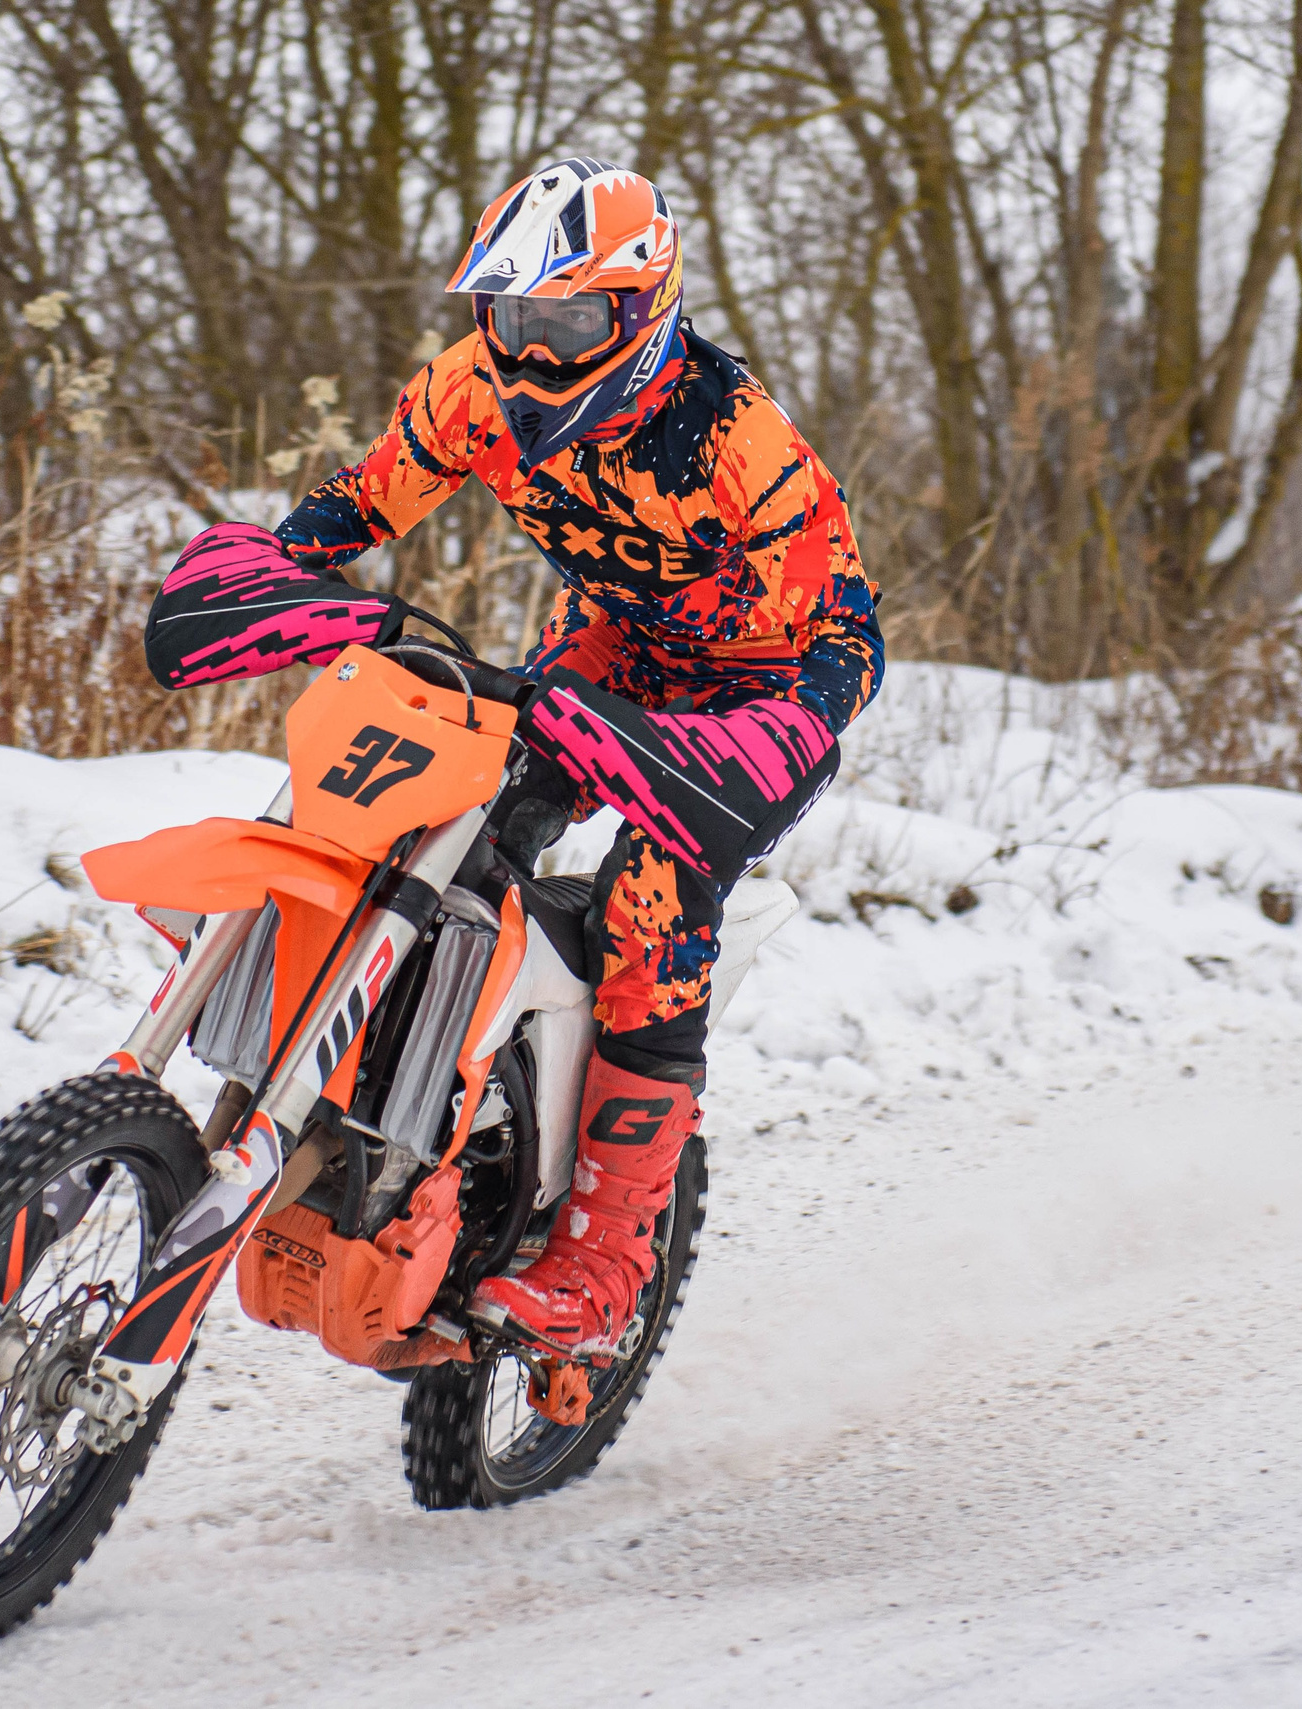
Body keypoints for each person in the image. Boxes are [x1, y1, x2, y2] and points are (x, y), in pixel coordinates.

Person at [140, 158, 884, 1355]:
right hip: (610, 647)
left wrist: (753, 750)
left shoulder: (736, 440)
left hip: (762, 686)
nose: (532, 353)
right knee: (448, 816)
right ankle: (426, 1109)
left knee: (651, 899)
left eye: (567, 325)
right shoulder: (469, 392)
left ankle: (604, 1256)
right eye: (509, 316)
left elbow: (845, 643)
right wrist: (275, 582)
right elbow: (351, 508)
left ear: (640, 313)